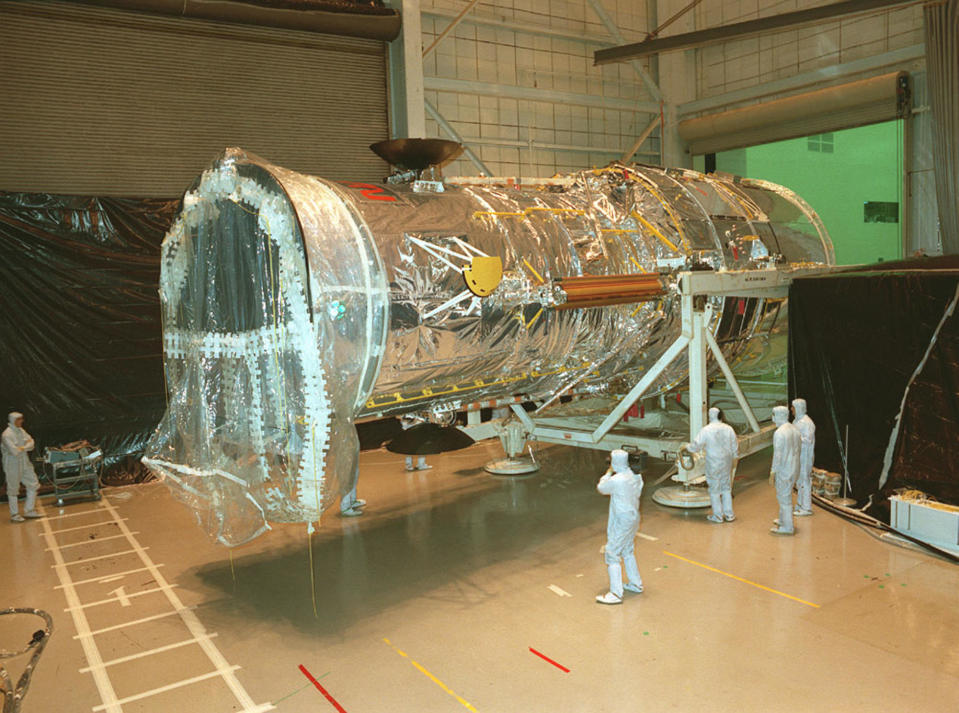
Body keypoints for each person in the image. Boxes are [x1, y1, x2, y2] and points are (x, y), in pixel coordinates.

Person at [596, 450, 644, 605]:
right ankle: (635, 583)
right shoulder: (635, 476)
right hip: (633, 516)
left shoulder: (617, 480)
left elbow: (602, 488)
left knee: (612, 552)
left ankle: (616, 593)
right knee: (627, 550)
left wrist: (608, 472)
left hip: (622, 520)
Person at [686, 407, 739, 523]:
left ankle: (718, 516)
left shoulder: (706, 430)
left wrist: (687, 447)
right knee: (726, 488)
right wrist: (735, 457)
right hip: (727, 461)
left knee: (714, 489)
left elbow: (696, 445)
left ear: (710, 416)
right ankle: (729, 515)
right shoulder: (728, 428)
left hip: (714, 462)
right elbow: (735, 445)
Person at [2, 412, 41, 523]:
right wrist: (26, 446)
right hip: (12, 464)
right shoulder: (7, 434)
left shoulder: (21, 431)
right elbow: (14, 451)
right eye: (19, 419)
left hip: (24, 461)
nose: (21, 421)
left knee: (33, 484)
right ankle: (14, 514)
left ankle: (29, 510)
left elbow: (31, 443)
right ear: (13, 420)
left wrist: (22, 447)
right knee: (13, 489)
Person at [770, 405, 801, 535]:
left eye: (773, 415)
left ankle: (787, 527)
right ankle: (783, 519)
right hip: (794, 468)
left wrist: (773, 472)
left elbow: (778, 455)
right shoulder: (794, 429)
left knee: (784, 497)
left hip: (784, 469)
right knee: (785, 495)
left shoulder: (779, 433)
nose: (772, 417)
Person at [792, 398, 815, 517]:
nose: (791, 410)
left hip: (805, 456)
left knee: (805, 481)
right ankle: (801, 504)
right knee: (799, 481)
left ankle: (806, 507)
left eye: (793, 407)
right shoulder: (797, 421)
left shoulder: (807, 422)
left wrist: (794, 438)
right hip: (798, 456)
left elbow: (808, 439)